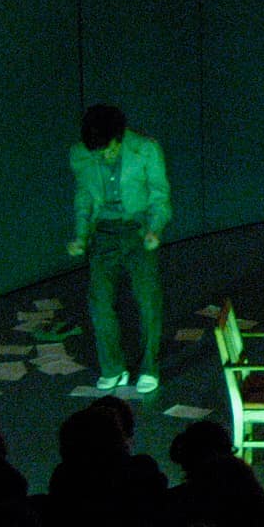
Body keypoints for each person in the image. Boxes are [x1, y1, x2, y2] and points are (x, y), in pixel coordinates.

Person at [67, 103, 170, 393]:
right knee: (99, 301)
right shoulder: (80, 154)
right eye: (98, 152)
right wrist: (81, 235)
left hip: (138, 229)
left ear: (120, 136)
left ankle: (149, 367)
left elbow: (159, 195)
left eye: (109, 149)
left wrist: (154, 229)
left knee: (148, 299)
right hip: (104, 233)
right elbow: (84, 197)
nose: (104, 156)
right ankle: (113, 367)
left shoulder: (146, 149)